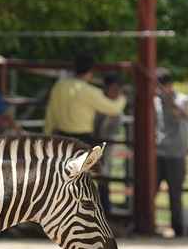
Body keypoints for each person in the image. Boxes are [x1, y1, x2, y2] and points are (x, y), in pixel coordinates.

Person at [43, 52, 126, 145]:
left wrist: (47, 134)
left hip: (61, 138)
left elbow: (50, 113)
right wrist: (122, 97)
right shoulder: (89, 91)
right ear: (91, 71)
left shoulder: (59, 86)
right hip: (82, 139)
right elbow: (114, 109)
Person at [154, 67, 188, 237]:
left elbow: (179, 115)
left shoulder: (181, 99)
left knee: (175, 193)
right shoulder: (154, 101)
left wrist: (168, 100)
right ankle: (149, 224)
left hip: (176, 153)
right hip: (158, 152)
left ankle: (178, 228)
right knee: (151, 189)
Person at [92, 72, 123, 216]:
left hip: (105, 143)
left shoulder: (114, 106)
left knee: (104, 174)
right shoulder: (98, 102)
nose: (116, 93)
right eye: (114, 89)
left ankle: (105, 207)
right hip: (94, 141)